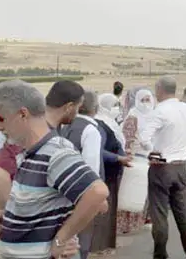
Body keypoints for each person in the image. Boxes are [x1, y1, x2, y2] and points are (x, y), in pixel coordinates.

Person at [0, 79, 109, 258]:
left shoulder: (55, 152)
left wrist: (61, 239)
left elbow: (97, 194)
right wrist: (10, 218)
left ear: (22, 114)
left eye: (1, 119)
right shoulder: (28, 153)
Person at [140, 76, 186, 259]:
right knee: (183, 213)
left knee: (159, 214)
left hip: (161, 166)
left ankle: (160, 254)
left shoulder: (160, 111)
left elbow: (144, 138)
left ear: (159, 89)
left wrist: (152, 152)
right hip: (180, 166)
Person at [59, 90, 106, 259]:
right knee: (81, 241)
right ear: (95, 107)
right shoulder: (91, 131)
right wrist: (97, 197)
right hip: (82, 194)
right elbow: (90, 169)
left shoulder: (65, 127)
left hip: (63, 191)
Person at [91, 92, 133, 255]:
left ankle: (107, 244)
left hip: (113, 170)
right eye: (114, 105)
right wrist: (118, 157)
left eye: (118, 105)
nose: (117, 109)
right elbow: (99, 150)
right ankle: (97, 246)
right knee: (103, 210)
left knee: (111, 209)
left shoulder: (111, 123)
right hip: (106, 171)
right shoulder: (100, 124)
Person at [117, 87, 154, 234]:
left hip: (151, 159)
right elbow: (127, 140)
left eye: (148, 100)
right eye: (142, 100)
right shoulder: (133, 117)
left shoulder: (155, 115)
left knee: (148, 193)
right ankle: (126, 225)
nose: (145, 103)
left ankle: (145, 219)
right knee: (132, 194)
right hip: (136, 159)